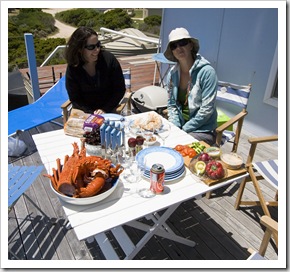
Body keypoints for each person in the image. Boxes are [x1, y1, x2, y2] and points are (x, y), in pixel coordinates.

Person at [164, 27, 218, 146]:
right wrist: (175, 127)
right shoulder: (172, 74)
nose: (179, 48)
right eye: (174, 46)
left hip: (203, 130)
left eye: (182, 42)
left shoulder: (207, 72)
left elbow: (206, 110)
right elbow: (172, 104)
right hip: (181, 127)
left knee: (176, 148)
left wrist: (183, 130)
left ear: (190, 45)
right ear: (172, 51)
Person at [64, 26, 126, 115]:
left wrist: (105, 109)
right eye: (91, 47)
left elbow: (119, 89)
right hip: (85, 112)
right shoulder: (73, 67)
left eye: (98, 45)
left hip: (110, 109)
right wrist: (91, 112)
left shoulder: (109, 60)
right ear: (79, 49)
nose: (97, 50)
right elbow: (75, 98)